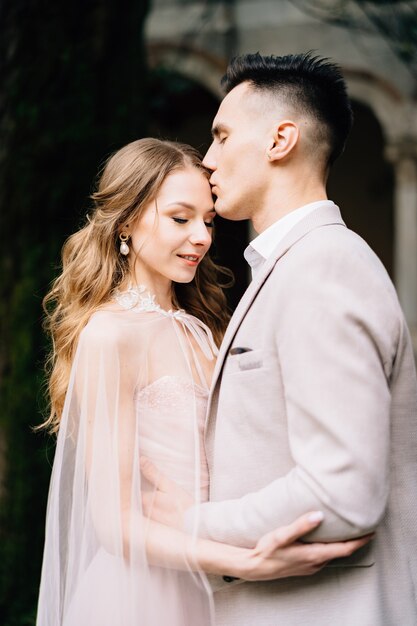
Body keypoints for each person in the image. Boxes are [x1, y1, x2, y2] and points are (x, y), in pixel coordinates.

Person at [35, 137, 369, 626]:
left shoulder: (208, 326)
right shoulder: (111, 335)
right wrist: (243, 562)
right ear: (126, 222)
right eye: (180, 218)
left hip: (218, 587)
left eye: (208, 221)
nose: (202, 237)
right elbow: (113, 525)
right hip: (144, 594)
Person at [142, 54, 417, 625]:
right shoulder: (290, 267)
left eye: (221, 135)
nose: (208, 159)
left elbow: (341, 493)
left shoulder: (324, 268)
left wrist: (195, 522)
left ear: (280, 139)